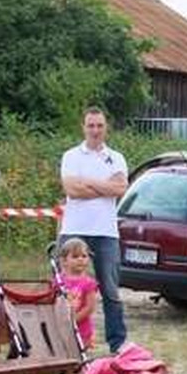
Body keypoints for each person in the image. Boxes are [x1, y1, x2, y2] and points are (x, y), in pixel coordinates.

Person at [59, 106, 129, 353]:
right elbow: (72, 190)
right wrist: (104, 186)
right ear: (83, 127)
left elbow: (120, 188)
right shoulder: (71, 156)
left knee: (110, 289)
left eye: (99, 125)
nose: (95, 130)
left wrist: (88, 181)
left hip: (106, 233)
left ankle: (117, 342)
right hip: (74, 230)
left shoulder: (117, 157)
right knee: (65, 287)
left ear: (106, 127)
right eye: (91, 125)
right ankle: (61, 338)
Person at [57, 238, 100, 352]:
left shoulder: (88, 283)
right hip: (61, 326)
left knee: (79, 355)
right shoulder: (58, 281)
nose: (81, 260)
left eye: (84, 256)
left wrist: (74, 320)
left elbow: (90, 307)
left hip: (81, 328)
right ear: (64, 261)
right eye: (75, 257)